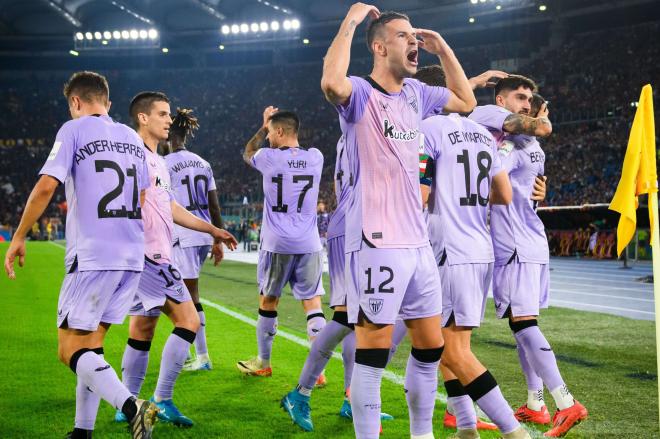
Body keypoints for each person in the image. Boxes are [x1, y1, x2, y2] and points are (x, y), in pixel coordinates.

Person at [320, 4, 480, 438]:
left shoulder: (416, 94)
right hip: (376, 241)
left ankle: (421, 434)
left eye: (415, 36)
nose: (414, 42)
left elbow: (466, 101)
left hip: (417, 243)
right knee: (373, 355)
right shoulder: (359, 93)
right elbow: (330, 82)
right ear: (378, 46)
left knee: (430, 348)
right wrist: (350, 21)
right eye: (403, 36)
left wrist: (443, 48)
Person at [4, 71, 157, 439]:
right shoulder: (132, 139)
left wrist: (18, 236)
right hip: (130, 256)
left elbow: (46, 186)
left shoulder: (72, 130)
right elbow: (141, 196)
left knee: (68, 349)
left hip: (92, 255)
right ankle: (81, 431)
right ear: (107, 101)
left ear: (75, 102)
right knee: (92, 346)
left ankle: (133, 406)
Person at [470, 78, 588, 437]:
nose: (523, 104)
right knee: (520, 325)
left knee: (524, 324)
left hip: (516, 245)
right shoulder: (532, 146)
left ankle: (565, 403)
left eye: (528, 100)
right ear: (502, 100)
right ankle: (535, 404)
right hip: (530, 242)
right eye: (518, 98)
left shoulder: (512, 146)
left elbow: (491, 180)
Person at [116, 92, 236, 428]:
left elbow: (170, 207)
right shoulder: (138, 156)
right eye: (163, 114)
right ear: (143, 118)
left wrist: (213, 229)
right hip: (149, 257)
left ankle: (126, 403)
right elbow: (129, 205)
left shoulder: (158, 161)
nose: (170, 120)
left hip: (152, 255)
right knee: (189, 320)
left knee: (142, 328)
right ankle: (162, 399)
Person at [281, 135, 394, 432]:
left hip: (359, 222)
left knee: (359, 319)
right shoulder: (365, 129)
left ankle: (350, 398)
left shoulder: (351, 134)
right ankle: (301, 393)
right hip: (355, 225)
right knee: (348, 316)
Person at [237, 106, 326, 379]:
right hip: (309, 243)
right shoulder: (316, 157)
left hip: (277, 243)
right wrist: (269, 128)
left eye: (271, 133)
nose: (270, 139)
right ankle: (318, 371)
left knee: (269, 301)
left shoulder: (268, 157)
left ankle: (263, 361)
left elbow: (247, 152)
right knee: (313, 304)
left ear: (278, 131)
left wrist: (261, 128)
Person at [164, 108, 225, 372]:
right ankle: (193, 352)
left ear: (169, 136)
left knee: (190, 297)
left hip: (184, 235)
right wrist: (217, 238)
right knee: (182, 293)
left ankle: (202, 356)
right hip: (203, 233)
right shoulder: (203, 163)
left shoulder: (164, 164)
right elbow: (214, 205)